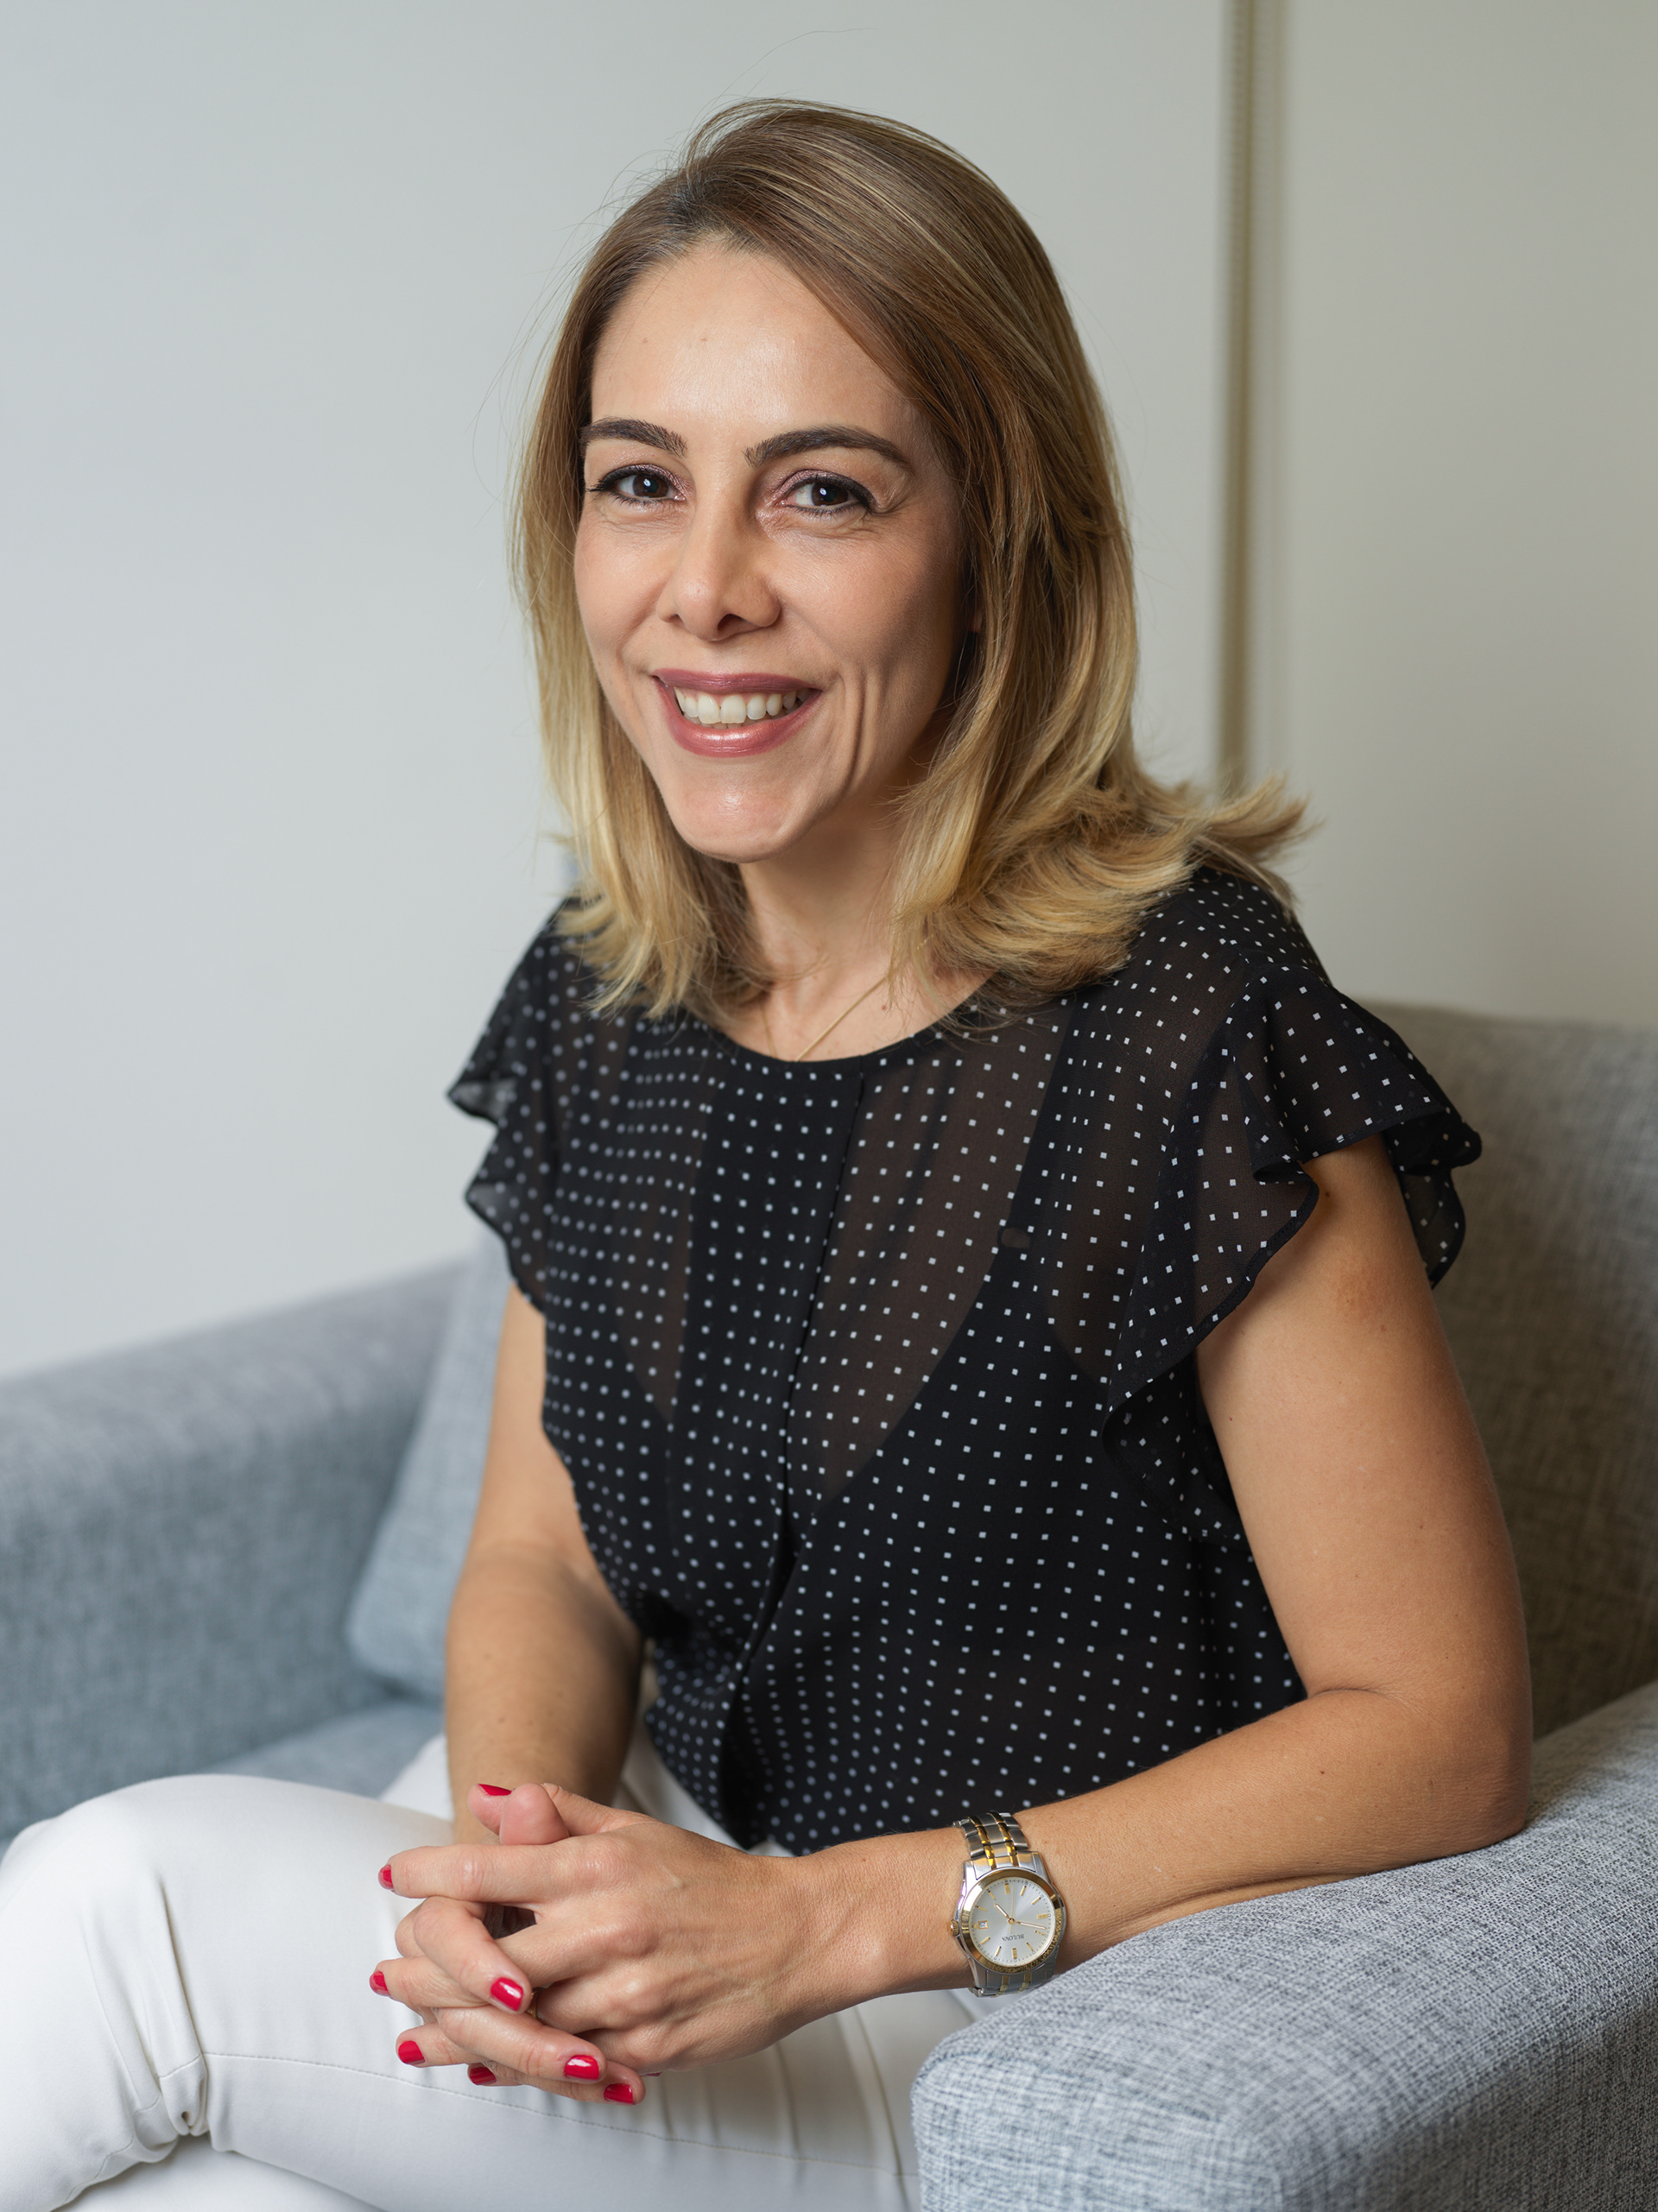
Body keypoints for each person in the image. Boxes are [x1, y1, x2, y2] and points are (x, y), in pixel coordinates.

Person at [0, 100, 1530, 2212]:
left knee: (123, 1921)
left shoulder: (1190, 1016)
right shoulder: (611, 977)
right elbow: (541, 1560)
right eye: (642, 482)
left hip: (964, 2014)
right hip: (657, 1872)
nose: (704, 591)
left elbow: (1442, 1726)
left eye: (823, 491)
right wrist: (520, 1870)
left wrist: (827, 1922)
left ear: (998, 545)